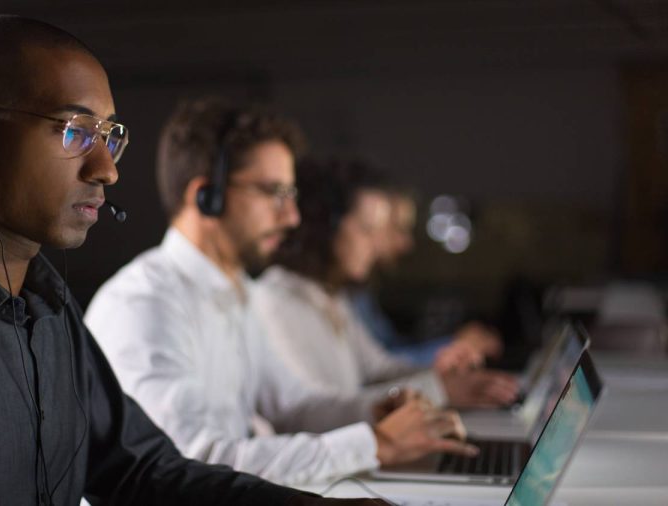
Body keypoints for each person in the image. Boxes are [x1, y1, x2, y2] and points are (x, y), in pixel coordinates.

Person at [0, 15, 386, 506]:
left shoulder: (48, 307)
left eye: (108, 136)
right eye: (74, 131)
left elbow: (141, 470)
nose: (107, 169)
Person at [85, 97, 478, 487]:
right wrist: (374, 443)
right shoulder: (144, 304)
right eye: (273, 192)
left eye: (290, 196)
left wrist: (376, 410)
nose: (291, 217)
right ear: (205, 195)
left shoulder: (238, 293)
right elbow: (191, 461)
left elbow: (293, 405)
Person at [253, 158, 519, 409]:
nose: (377, 245)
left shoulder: (330, 296)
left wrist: (441, 373)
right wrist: (438, 390)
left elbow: (378, 370)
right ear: (325, 227)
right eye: (368, 230)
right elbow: (309, 410)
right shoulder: (275, 300)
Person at [349, 189, 505, 373]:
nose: (407, 244)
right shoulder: (345, 294)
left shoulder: (360, 292)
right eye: (399, 229)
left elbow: (385, 352)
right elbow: (379, 366)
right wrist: (452, 347)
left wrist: (453, 346)